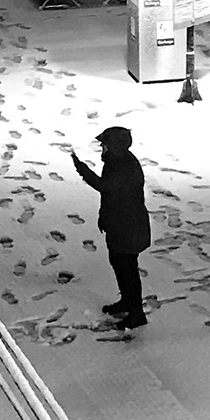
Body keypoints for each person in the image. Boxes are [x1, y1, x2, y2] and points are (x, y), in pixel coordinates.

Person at [71, 125, 152, 327]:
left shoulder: (125, 167)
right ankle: (127, 302)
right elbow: (109, 195)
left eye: (105, 145)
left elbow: (105, 187)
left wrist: (82, 169)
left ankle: (136, 313)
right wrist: (103, 216)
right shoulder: (116, 162)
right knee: (120, 265)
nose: (102, 150)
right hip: (120, 226)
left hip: (129, 228)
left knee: (128, 270)